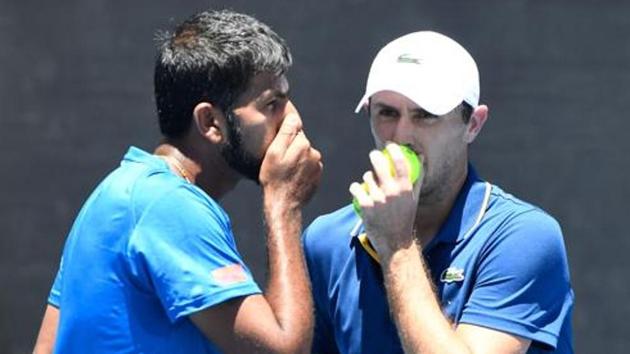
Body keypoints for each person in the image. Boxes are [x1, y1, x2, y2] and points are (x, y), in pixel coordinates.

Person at [32, 9, 322, 354]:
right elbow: (284, 350)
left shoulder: (116, 192)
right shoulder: (169, 206)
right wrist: (284, 203)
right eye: (272, 104)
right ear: (211, 122)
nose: (293, 121)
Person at [303, 31, 573, 353]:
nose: (401, 135)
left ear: (473, 124)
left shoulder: (526, 237)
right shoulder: (325, 240)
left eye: (425, 115)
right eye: (387, 113)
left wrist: (398, 247)